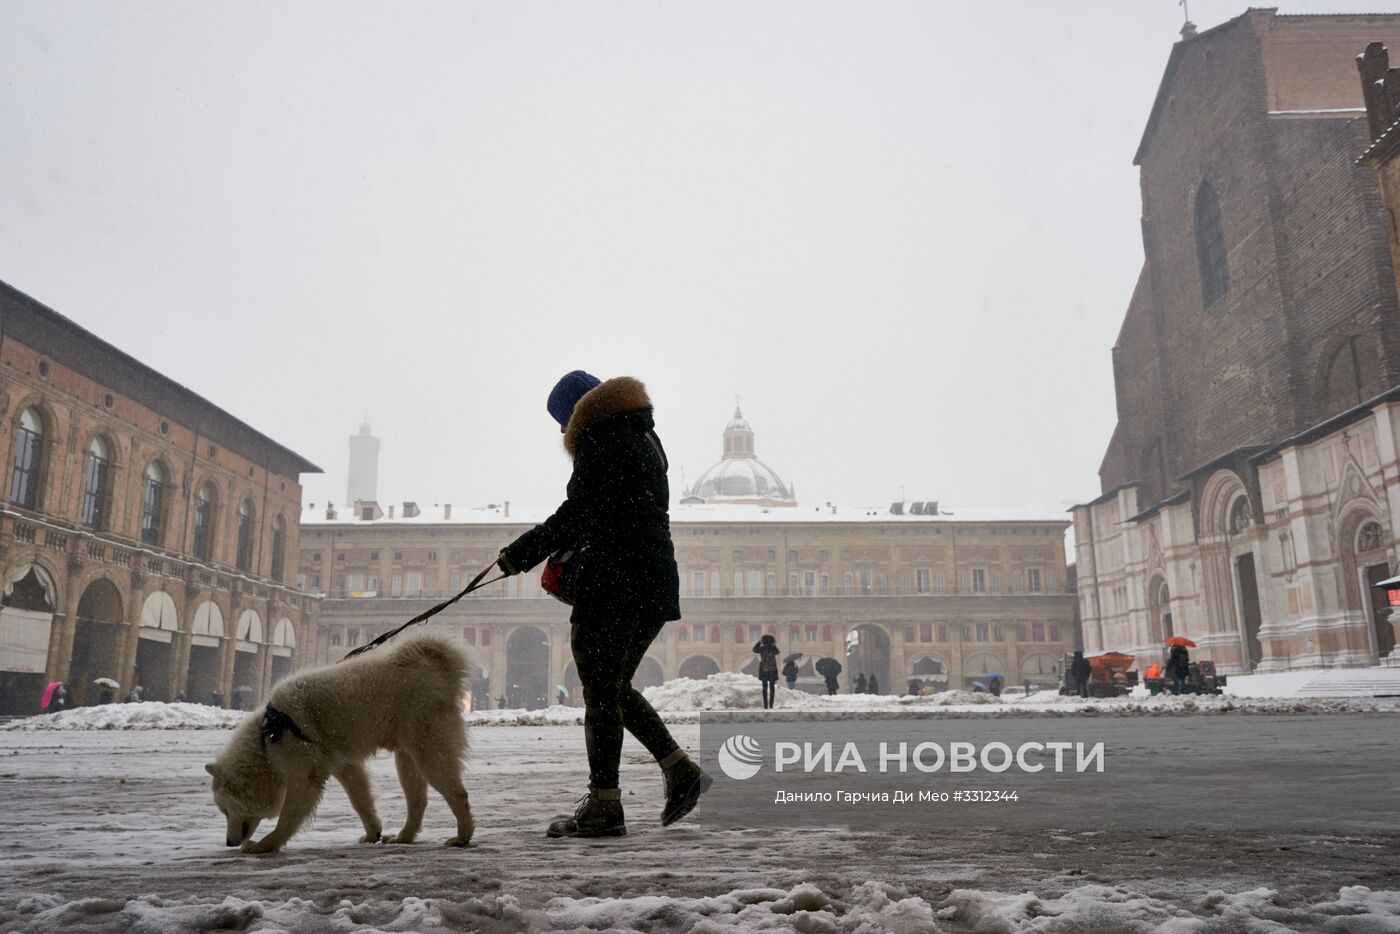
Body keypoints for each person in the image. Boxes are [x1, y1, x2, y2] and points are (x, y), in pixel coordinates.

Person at [497, 371, 709, 838]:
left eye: (561, 420)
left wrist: (520, 554)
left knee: (599, 690)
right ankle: (680, 771)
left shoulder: (602, 437)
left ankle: (605, 805)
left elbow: (580, 512)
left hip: (615, 580)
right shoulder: (644, 436)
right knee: (612, 688)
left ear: (578, 411)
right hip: (652, 579)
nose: (560, 432)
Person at [753, 635, 780, 709]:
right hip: (772, 670)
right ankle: (771, 705)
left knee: (764, 688)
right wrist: (773, 644)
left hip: (764, 670)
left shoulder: (762, 648)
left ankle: (765, 705)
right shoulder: (773, 648)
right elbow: (777, 652)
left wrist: (759, 642)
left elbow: (754, 649)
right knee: (772, 688)